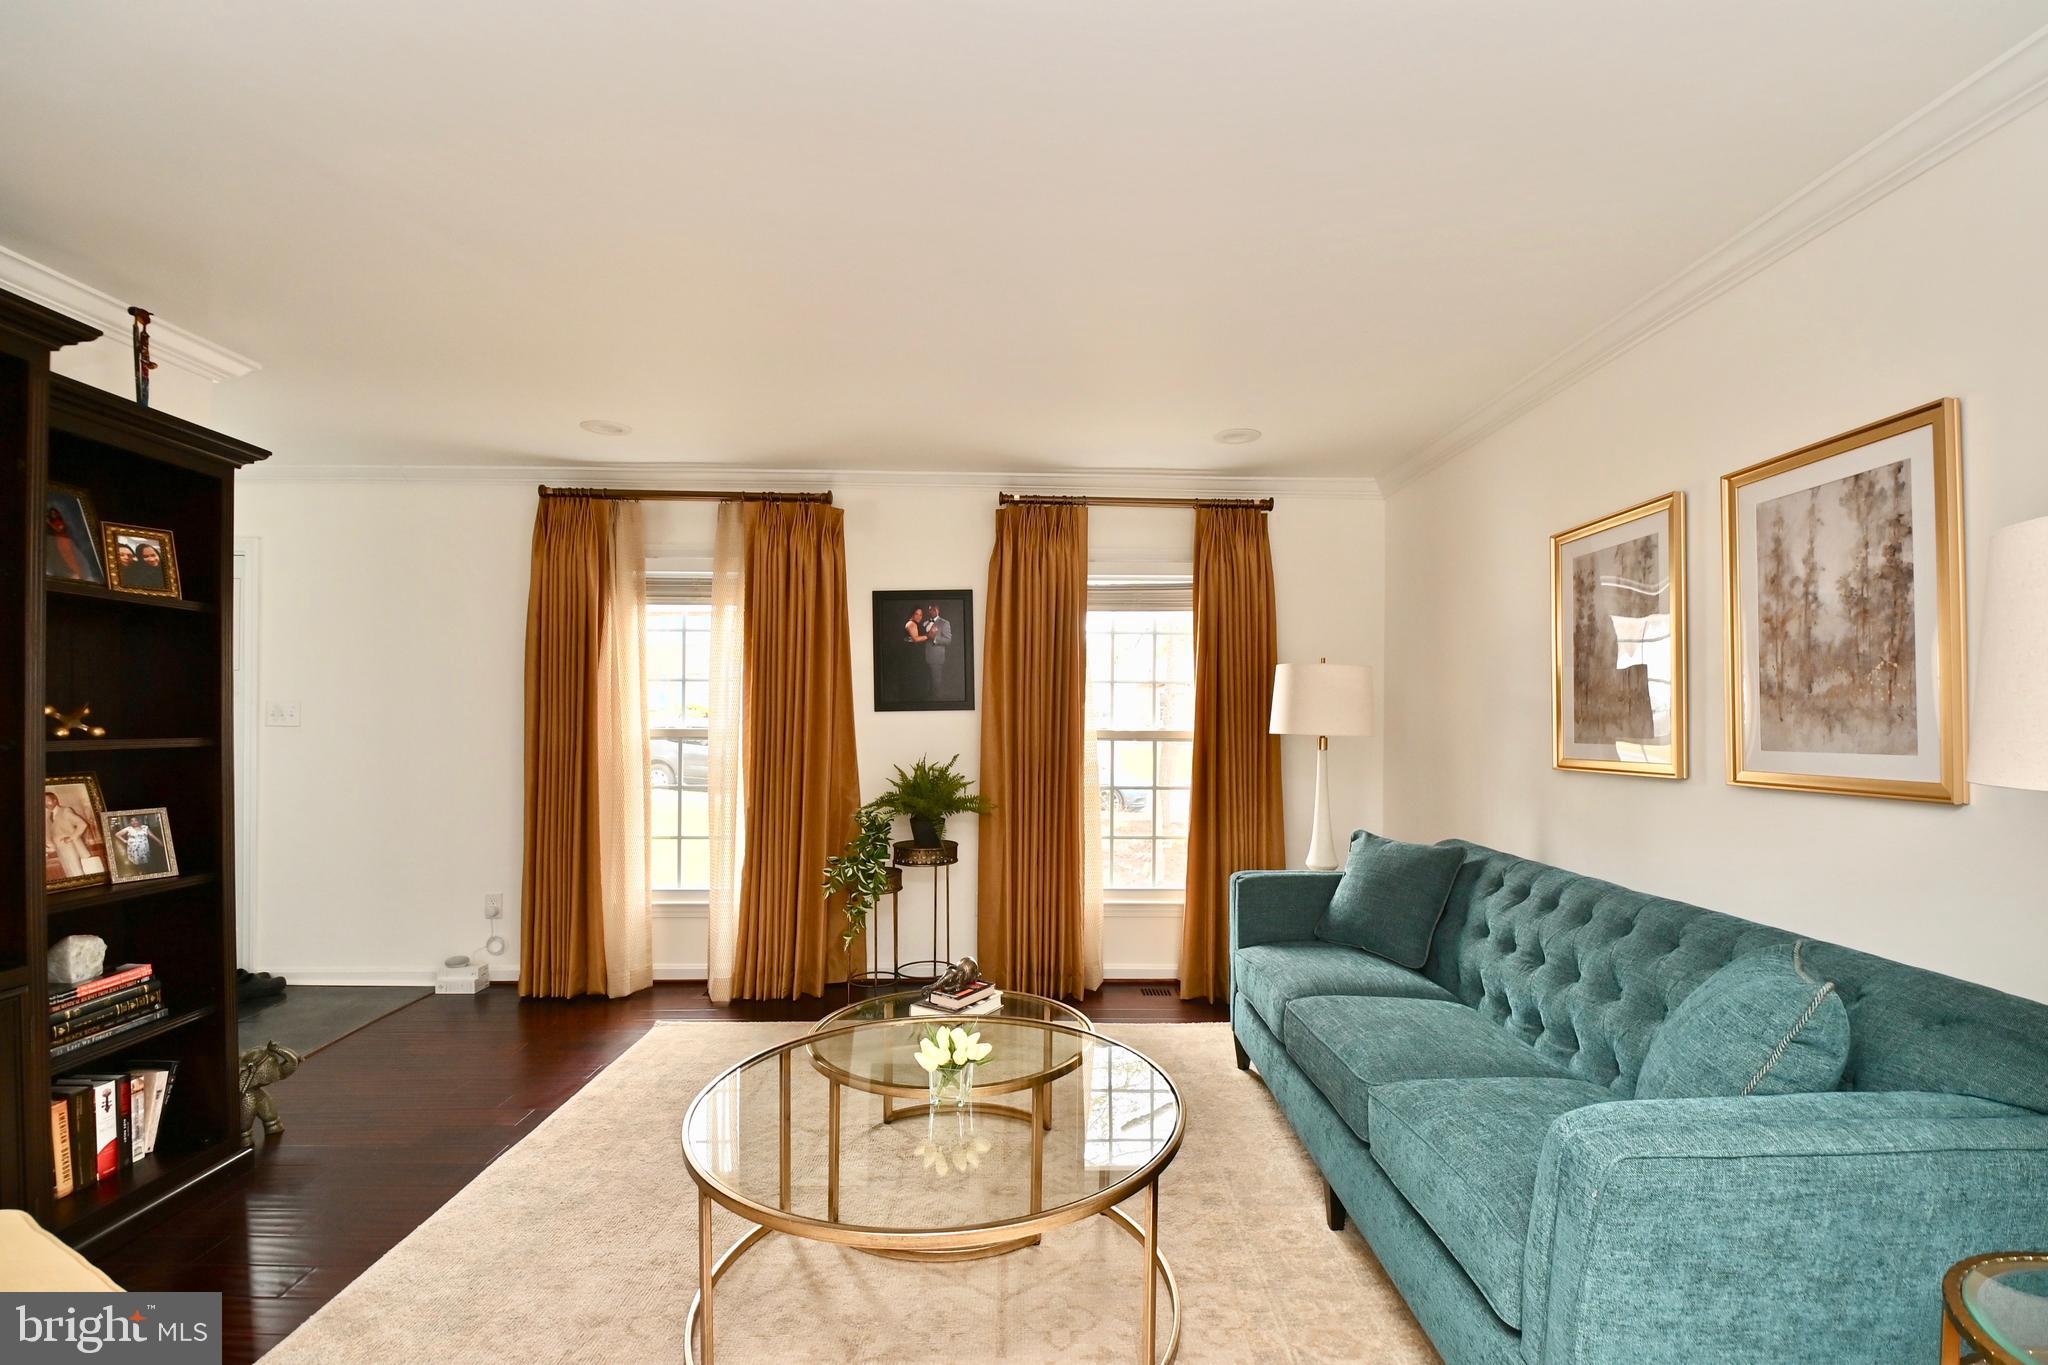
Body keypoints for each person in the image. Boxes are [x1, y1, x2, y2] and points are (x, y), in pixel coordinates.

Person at [44, 791, 93, 881]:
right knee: (69, 873)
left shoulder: (65, 811)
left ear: (55, 800)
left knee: (76, 872)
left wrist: (71, 837)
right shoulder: (48, 816)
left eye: (47, 800)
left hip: (69, 846)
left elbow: (82, 824)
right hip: (60, 849)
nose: (45, 803)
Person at [45, 506, 92, 581]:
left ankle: (77, 573)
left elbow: (59, 529)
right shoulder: (52, 529)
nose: (53, 515)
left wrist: (49, 523)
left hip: (64, 540)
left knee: (68, 555)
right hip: (59, 540)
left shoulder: (60, 522)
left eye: (54, 513)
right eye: (52, 513)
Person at [921, 602, 953, 701]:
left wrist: (935, 639)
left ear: (938, 610)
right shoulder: (925, 623)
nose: (931, 611)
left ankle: (937, 703)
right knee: (926, 682)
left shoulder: (944, 623)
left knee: (936, 682)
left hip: (936, 658)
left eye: (934, 609)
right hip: (924, 657)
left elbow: (948, 640)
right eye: (930, 609)